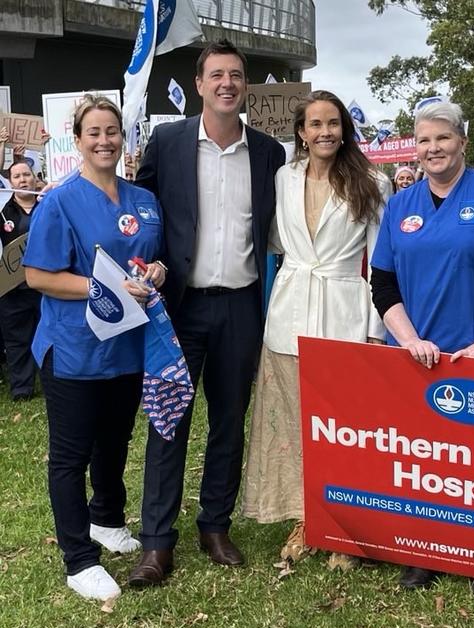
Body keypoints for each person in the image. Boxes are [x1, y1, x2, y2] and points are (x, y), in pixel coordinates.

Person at [128, 40, 286, 587]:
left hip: (241, 307)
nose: (226, 83)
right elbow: (140, 215)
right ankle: (156, 543)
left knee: (228, 423)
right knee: (168, 421)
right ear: (199, 84)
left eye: (236, 75)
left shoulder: (269, 153)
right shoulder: (167, 142)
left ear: (245, 85)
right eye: (216, 74)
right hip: (179, 309)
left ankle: (215, 526)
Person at [370, 101, 474, 606]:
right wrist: (406, 338)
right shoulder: (401, 204)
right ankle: (429, 550)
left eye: (442, 138)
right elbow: (383, 283)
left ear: (462, 141)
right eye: (423, 141)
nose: (432, 149)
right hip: (420, 358)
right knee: (426, 460)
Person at [22, 95, 166, 601]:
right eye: (94, 133)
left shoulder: (143, 199)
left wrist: (155, 271)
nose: (105, 141)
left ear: (122, 137)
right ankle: (79, 559)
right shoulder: (59, 201)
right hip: (74, 349)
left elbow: (151, 259)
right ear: (78, 140)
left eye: (112, 132)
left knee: (115, 441)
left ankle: (106, 520)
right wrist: (100, 286)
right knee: (70, 455)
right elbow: (37, 274)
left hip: (126, 347)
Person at [241, 90, 391, 562]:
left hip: (345, 312)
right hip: (288, 314)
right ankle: (307, 521)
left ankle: (345, 529)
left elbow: (381, 262)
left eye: (333, 123)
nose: (324, 132)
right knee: (296, 426)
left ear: (344, 128)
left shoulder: (372, 181)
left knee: (344, 429)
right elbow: (270, 240)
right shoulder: (284, 178)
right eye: (315, 124)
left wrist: (374, 327)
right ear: (301, 133)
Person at [0, 160, 41, 400]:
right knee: (17, 340)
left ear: (35, 179)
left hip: (46, 286)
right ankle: (22, 389)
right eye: (17, 176)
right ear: (10, 182)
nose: (23, 179)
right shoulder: (3, 213)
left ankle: (54, 383)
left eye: (27, 174)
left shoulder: (49, 207)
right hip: (13, 290)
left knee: (50, 337)